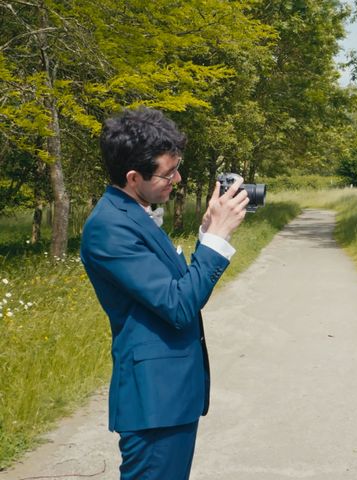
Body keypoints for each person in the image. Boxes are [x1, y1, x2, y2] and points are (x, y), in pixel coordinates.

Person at [80, 107, 248, 480]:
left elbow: (171, 288)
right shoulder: (109, 228)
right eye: (168, 172)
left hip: (171, 396)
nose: (178, 178)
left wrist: (206, 234)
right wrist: (218, 240)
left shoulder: (134, 213)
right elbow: (178, 305)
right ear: (133, 176)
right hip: (154, 403)